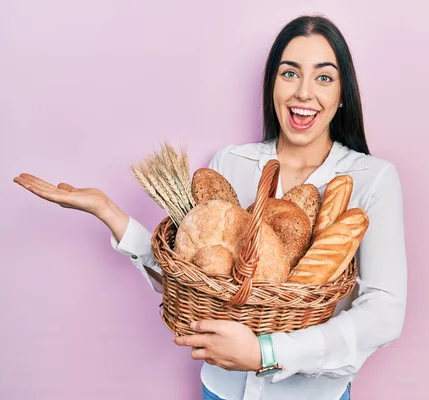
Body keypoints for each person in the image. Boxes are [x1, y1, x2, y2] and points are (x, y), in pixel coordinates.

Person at [13, 15, 407, 400]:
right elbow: (189, 280)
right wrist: (108, 212)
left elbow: (383, 313)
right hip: (220, 390)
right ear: (272, 85)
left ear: (342, 95)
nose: (304, 92)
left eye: (323, 77)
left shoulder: (372, 178)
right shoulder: (231, 164)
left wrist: (265, 353)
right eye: (289, 73)